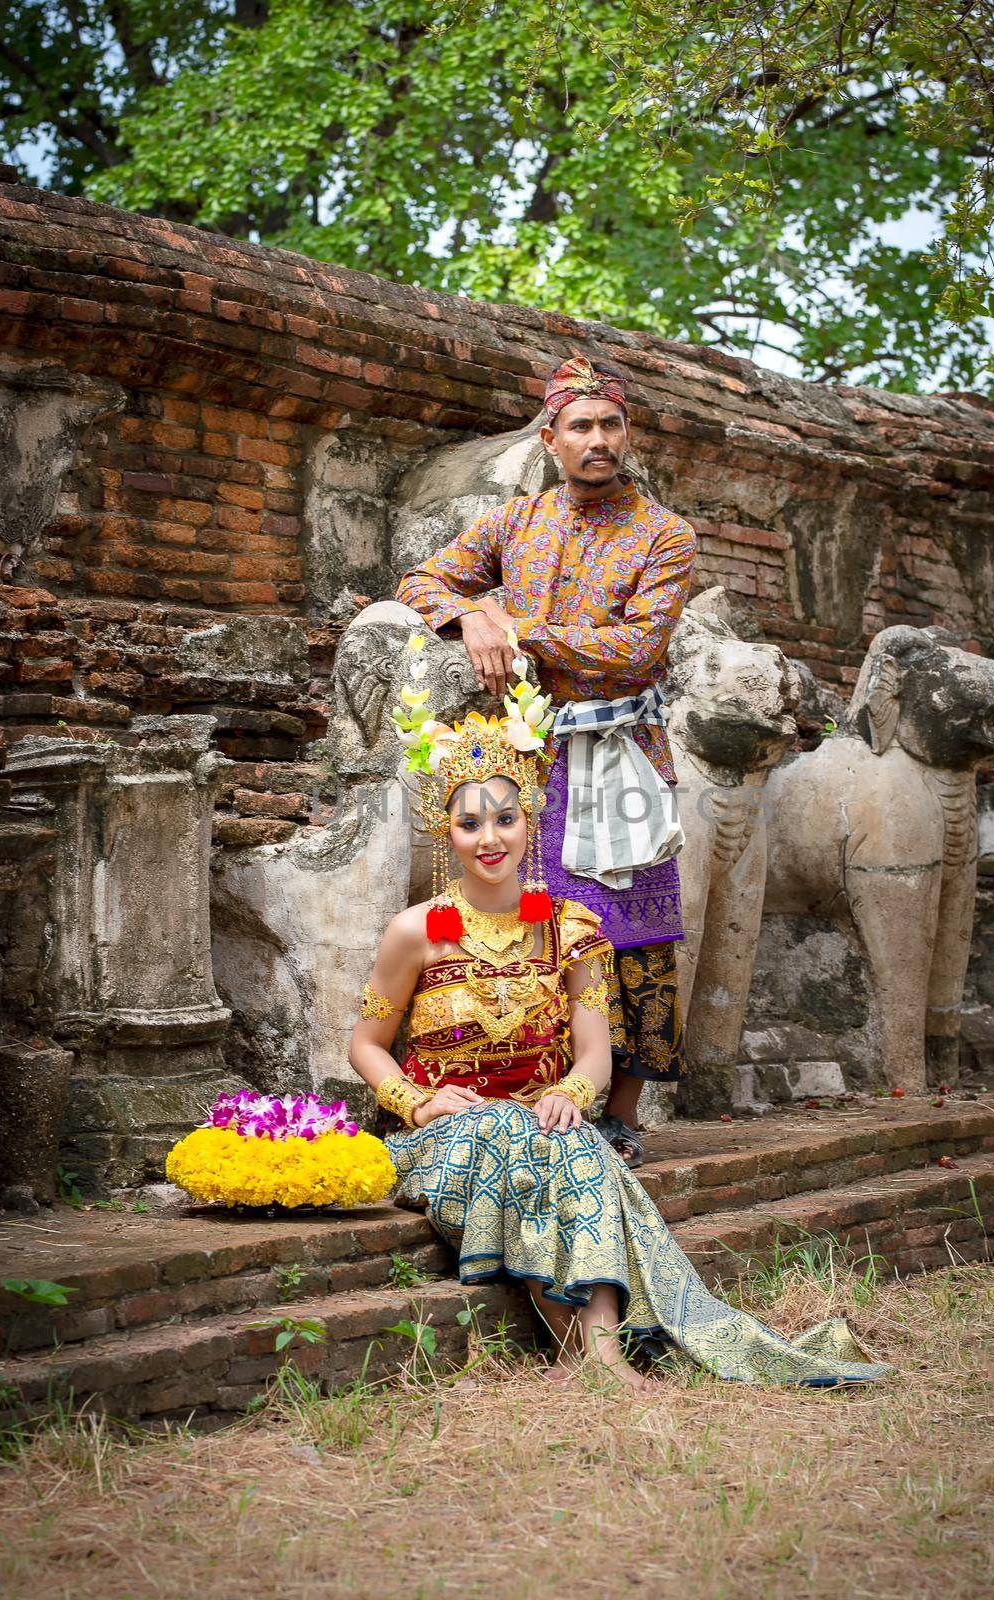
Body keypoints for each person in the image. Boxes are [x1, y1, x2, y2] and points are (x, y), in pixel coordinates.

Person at [346, 641, 892, 1391]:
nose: (490, 838)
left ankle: (597, 1355)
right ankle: (596, 1352)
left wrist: (573, 1095)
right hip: (442, 1140)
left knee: (573, 1145)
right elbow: (367, 1044)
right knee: (520, 1134)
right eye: (470, 823)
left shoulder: (570, 927)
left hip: (541, 1127)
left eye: (505, 818)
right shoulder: (420, 930)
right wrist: (417, 1100)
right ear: (448, 832)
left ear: (532, 816)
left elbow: (595, 1054)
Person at [396, 354, 696, 1168]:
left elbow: (634, 648)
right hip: (526, 758)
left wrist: (511, 622)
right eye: (581, 427)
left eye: (611, 425)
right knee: (528, 926)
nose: (599, 440)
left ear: (627, 434)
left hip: (625, 757)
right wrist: (468, 616)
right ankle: (528, 1092)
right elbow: (421, 581)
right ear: (552, 439)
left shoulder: (665, 534)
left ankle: (619, 1113)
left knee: (631, 935)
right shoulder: (514, 522)